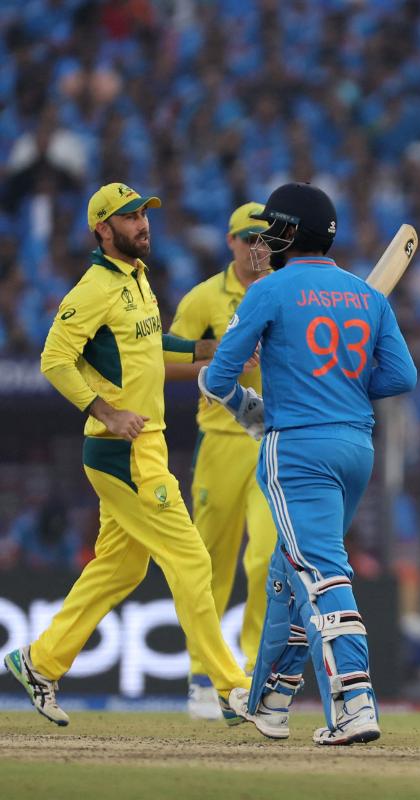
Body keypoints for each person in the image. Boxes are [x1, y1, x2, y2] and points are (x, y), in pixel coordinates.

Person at [4, 182, 252, 725]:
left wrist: (208, 348)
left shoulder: (138, 278)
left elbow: (150, 343)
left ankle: (39, 661)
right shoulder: (92, 288)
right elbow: (53, 359)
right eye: (129, 217)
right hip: (126, 449)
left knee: (120, 569)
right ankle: (233, 689)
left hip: (146, 446)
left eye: (144, 214)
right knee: (191, 559)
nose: (143, 224)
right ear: (102, 229)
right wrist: (107, 413)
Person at [201, 182, 416, 745]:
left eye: (273, 227)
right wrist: (340, 384)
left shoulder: (269, 291)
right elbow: (401, 377)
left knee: (318, 572)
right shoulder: (367, 295)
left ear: (291, 232)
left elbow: (215, 378)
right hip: (356, 449)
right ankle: (270, 701)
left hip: (296, 448)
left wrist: (251, 407)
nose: (264, 239)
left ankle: (355, 701)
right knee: (286, 571)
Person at [163, 202, 278, 720]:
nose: (259, 247)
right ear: (230, 241)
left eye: (267, 239)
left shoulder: (283, 289)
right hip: (222, 441)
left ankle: (251, 671)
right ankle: (203, 674)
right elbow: (163, 361)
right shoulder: (205, 298)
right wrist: (217, 363)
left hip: (272, 438)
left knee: (265, 557)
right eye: (250, 237)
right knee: (208, 562)